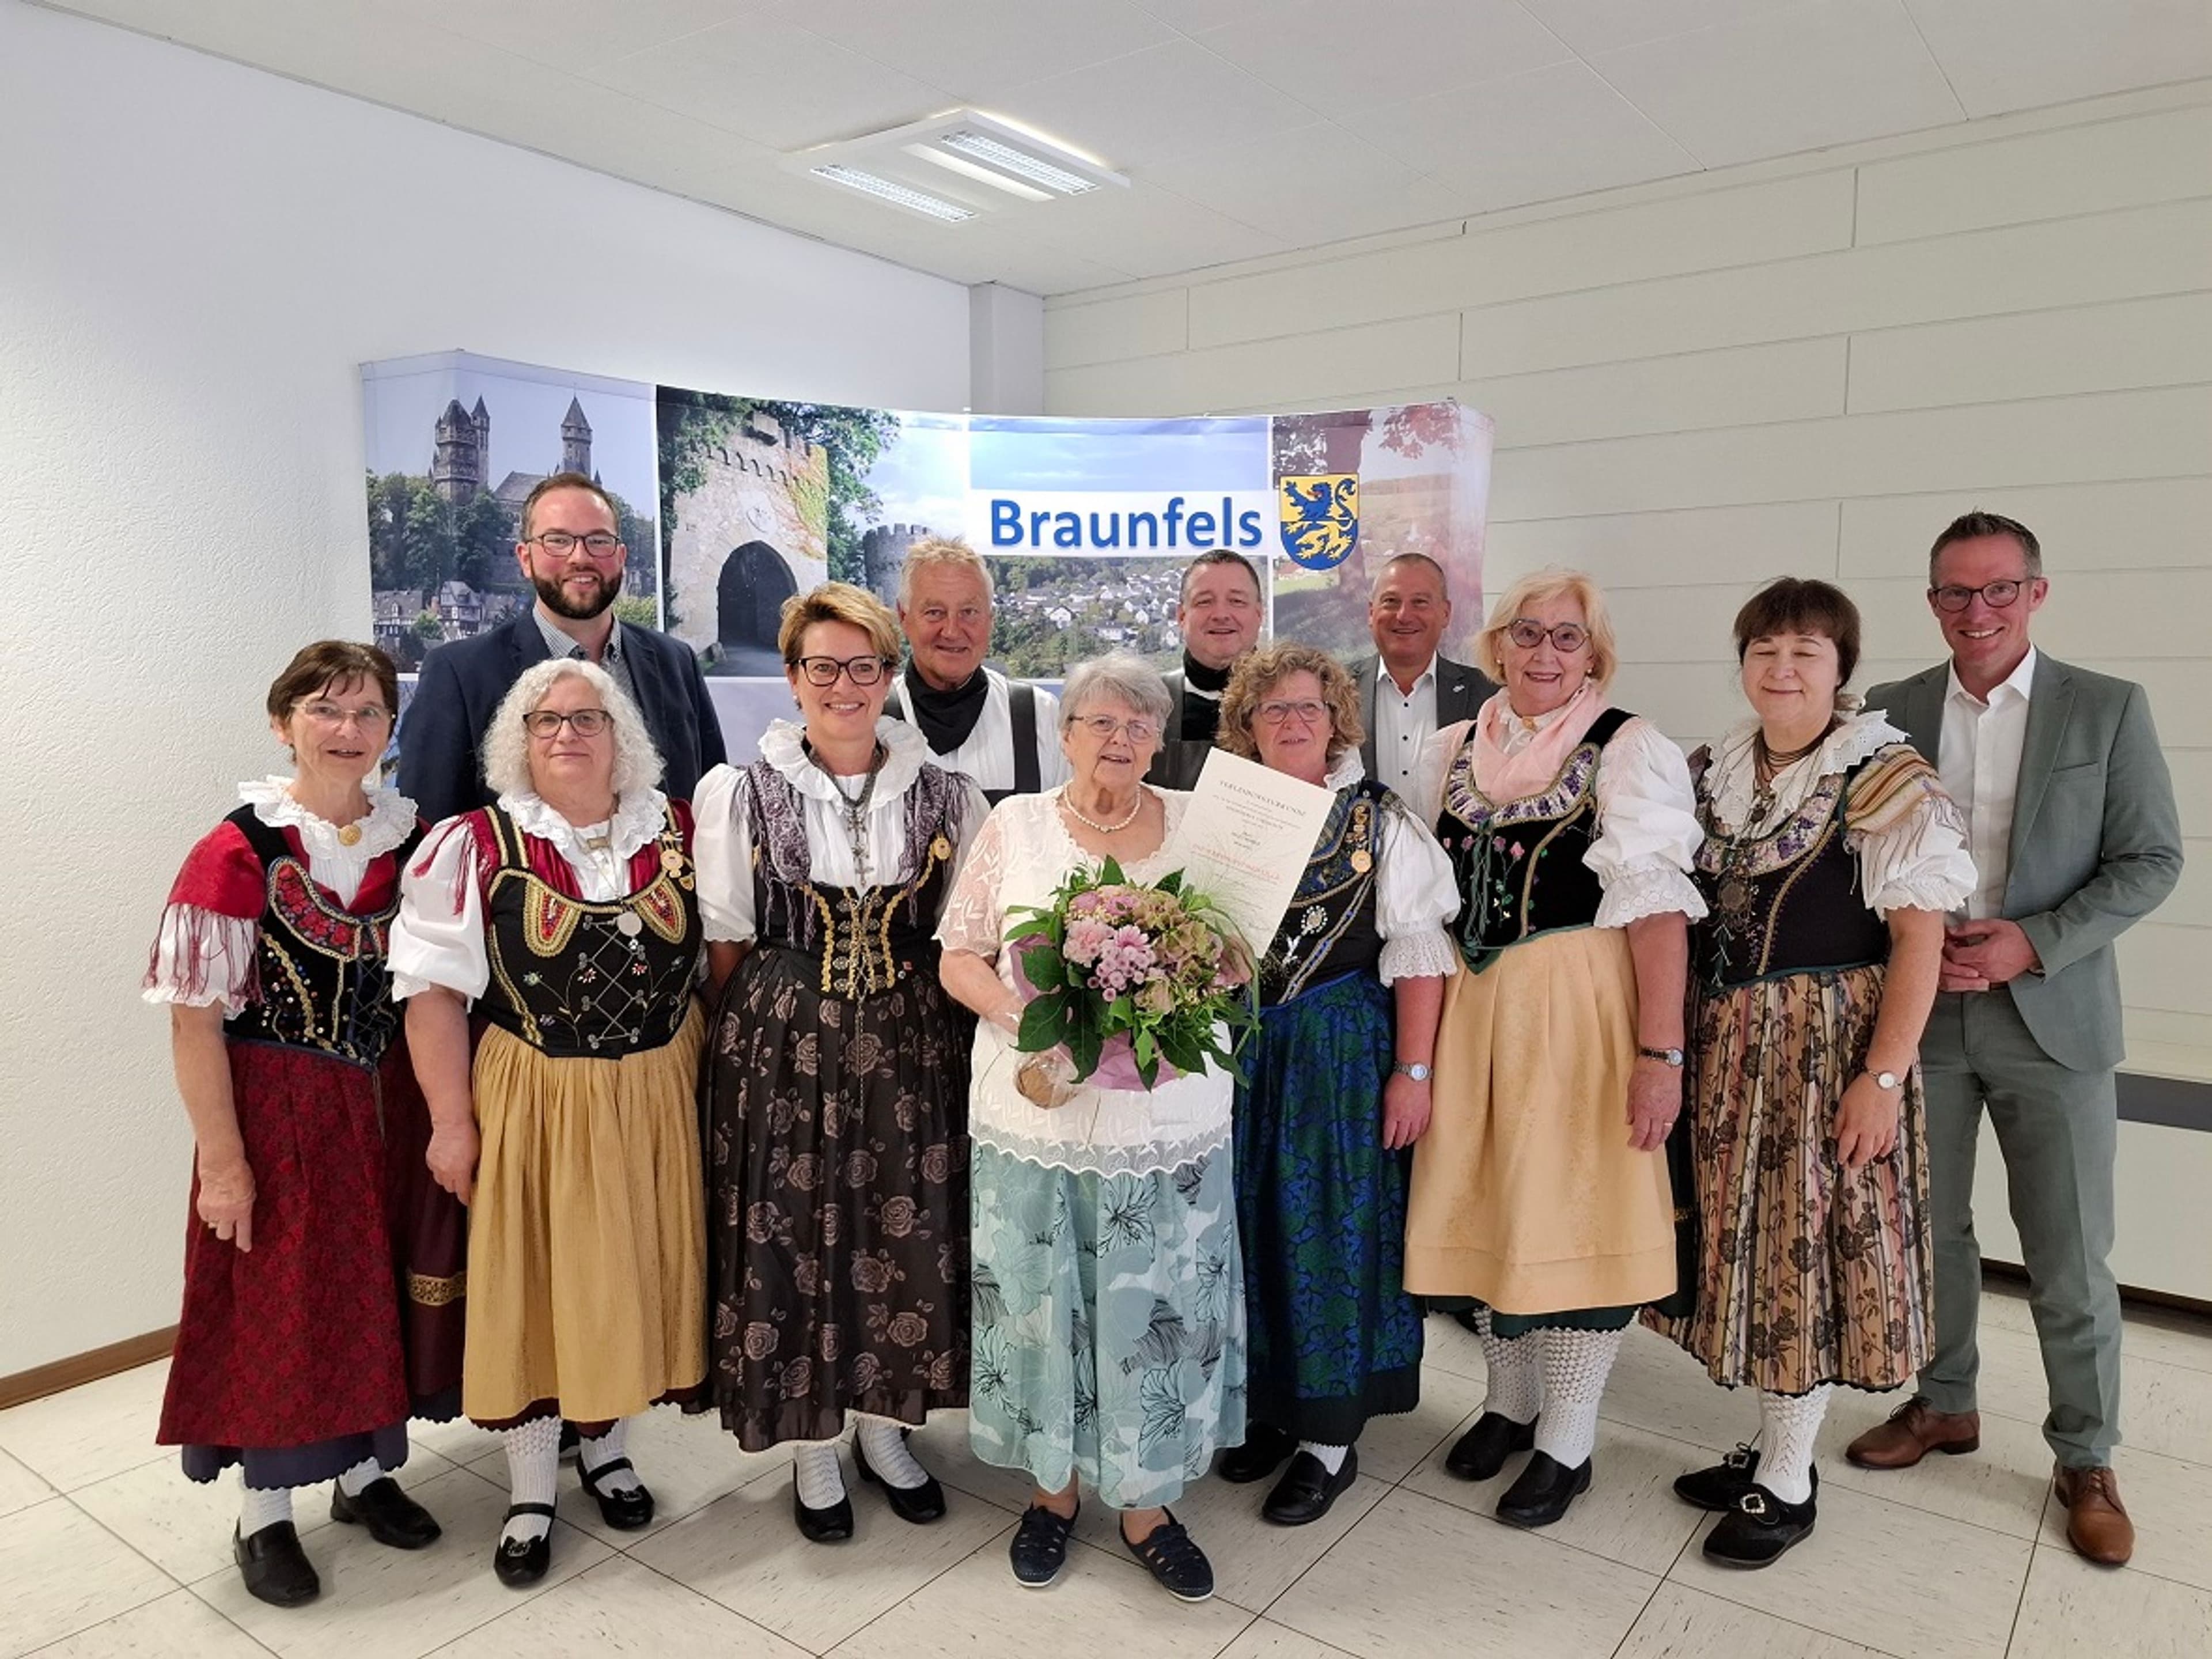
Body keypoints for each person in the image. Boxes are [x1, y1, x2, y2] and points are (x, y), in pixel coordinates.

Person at [1845, 514, 2182, 1567]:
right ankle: (1944, 1402)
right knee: (1932, 1234)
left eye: (1997, 590)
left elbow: (2149, 860)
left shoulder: (2107, 709)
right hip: (1925, 1016)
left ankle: (2086, 1455)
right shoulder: (1889, 712)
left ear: (2036, 592)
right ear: (1933, 600)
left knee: (2070, 1254)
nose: (1976, 611)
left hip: (2056, 1020)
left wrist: (2033, 943)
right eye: (1954, 592)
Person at [1652, 577, 1973, 1565]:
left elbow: (1922, 938)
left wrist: (1881, 1078)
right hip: (1724, 1048)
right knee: (1746, 1252)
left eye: (1806, 652)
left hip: (1824, 1048)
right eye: (1766, 651)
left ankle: (1788, 1481)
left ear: (1841, 670)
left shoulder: (1881, 776)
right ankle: (1770, 1448)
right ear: (1744, 663)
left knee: (1805, 1254)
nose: (1783, 670)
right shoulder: (1713, 770)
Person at [144, 641, 461, 1608]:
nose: (350, 731)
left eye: (370, 713)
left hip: (390, 1107)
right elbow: (195, 1021)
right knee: (284, 1305)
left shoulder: (414, 840)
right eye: (327, 710)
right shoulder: (238, 848)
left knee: (376, 1292)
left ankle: (365, 1479)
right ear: (284, 722)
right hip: (280, 1109)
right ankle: (267, 1517)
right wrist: (224, 1163)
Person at [391, 658, 707, 1588]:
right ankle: (531, 1489)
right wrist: (452, 1123)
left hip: (656, 1089)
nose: (566, 734)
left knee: (626, 1278)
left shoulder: (680, 830)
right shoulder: (472, 843)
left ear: (622, 736)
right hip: (535, 1091)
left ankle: (607, 1452)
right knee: (533, 1286)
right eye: (544, 721)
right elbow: (433, 996)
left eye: (587, 717)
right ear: (516, 742)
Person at [938, 652, 1244, 1603]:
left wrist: (1166, 993)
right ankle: (1053, 1494)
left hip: (1164, 1115)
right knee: (1045, 1301)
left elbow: (1235, 956)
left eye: (1138, 724)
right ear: (1065, 733)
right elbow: (960, 954)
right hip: (1040, 1106)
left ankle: (1148, 1506)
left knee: (1154, 1305)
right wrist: (1035, 1025)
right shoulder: (1015, 823)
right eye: (1099, 722)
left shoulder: (1200, 825)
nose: (1119, 740)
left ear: (1162, 737)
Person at [1404, 571, 1703, 1529]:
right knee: (1491, 1201)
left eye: (1567, 639)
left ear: (1595, 654)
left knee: (1571, 1215)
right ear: (1498, 644)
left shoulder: (1630, 748)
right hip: (1471, 1008)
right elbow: (1419, 900)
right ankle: (1508, 1402)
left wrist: (1662, 1056)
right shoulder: (1450, 746)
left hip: (1580, 1012)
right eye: (1528, 633)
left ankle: (1568, 1439)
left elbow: (1658, 916)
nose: (1544, 654)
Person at [692, 582, 988, 1542]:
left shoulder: (949, 794)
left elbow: (969, 934)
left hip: (913, 1043)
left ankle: (884, 1424)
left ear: (890, 677)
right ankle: (813, 1447)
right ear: (792, 678)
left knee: (901, 1236)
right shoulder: (742, 791)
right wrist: (754, 1041)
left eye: (866, 666)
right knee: (796, 1235)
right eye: (824, 666)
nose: (845, 684)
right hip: (783, 1043)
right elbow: (726, 943)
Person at [1211, 643, 1456, 1525]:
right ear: (1247, 724)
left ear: (1336, 721)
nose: (1291, 723)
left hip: (1340, 1055)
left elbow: (1421, 958)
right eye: (1272, 710)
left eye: (1308, 708)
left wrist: (1413, 1073)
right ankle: (1276, 1411)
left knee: (1331, 1234)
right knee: (1252, 1227)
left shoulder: (1378, 822)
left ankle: (1331, 1441)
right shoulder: (1225, 817)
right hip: (1243, 1057)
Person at [397, 471, 726, 825]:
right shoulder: (459, 674)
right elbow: (427, 836)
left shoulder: (676, 662)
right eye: (557, 540)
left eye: (599, 541)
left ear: (621, 556)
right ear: (525, 558)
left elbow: (713, 808)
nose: (579, 557)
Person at [885, 535, 1067, 802]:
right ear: (903, 617)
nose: (951, 630)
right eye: (935, 612)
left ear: (990, 619)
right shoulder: (870, 720)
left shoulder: (1041, 716)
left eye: (969, 612)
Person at [1351, 552, 1495, 792]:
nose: (1404, 616)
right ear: (1371, 613)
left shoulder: (1488, 696)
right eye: (1391, 602)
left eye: (1420, 602)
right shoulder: (1334, 692)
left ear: (1446, 613)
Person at [1147, 550, 1263, 789]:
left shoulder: (1298, 707)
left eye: (1237, 601)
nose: (1221, 615)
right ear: (1181, 616)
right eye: (1204, 602)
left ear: (1259, 614)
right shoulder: (1147, 704)